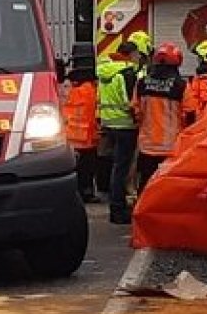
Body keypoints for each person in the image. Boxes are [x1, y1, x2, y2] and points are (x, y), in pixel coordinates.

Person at [97, 41, 142, 224]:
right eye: (137, 54)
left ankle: (115, 205)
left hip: (109, 123)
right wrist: (138, 118)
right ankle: (118, 209)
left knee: (115, 166)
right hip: (125, 125)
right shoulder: (127, 73)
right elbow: (131, 101)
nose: (139, 57)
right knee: (122, 169)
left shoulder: (105, 71)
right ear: (130, 54)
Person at [133, 42, 187, 193]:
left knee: (145, 183)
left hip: (147, 145)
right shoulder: (181, 86)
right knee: (168, 187)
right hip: (171, 145)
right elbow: (190, 114)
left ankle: (142, 212)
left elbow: (135, 112)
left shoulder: (142, 83)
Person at [61, 50, 99, 203]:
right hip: (87, 137)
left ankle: (73, 193)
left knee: (73, 169)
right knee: (87, 170)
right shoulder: (91, 89)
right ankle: (87, 193)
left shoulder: (66, 87)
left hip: (70, 135)